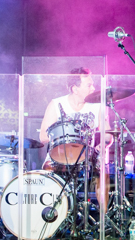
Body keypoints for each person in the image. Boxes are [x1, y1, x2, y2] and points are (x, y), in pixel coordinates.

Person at [38, 67, 111, 210]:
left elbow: (108, 134)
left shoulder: (98, 106)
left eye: (92, 84)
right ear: (75, 88)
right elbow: (43, 136)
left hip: (88, 154)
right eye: (88, 85)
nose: (93, 88)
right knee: (47, 168)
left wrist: (102, 145)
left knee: (103, 173)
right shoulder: (56, 104)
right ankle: (50, 214)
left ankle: (104, 219)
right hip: (60, 154)